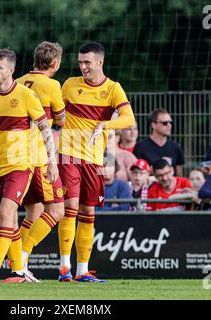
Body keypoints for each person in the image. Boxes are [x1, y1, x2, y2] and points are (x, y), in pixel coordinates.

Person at [0, 48, 58, 284]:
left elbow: (46, 130)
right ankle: (18, 272)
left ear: (11, 70)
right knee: (11, 222)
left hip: (21, 165)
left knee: (8, 213)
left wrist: (52, 161)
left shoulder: (27, 95)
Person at [57, 42, 135, 283]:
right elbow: (54, 112)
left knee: (88, 212)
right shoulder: (69, 84)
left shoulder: (113, 89)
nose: (83, 67)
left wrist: (105, 124)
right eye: (80, 62)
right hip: (68, 153)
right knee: (70, 209)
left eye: (87, 62)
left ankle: (82, 270)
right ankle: (64, 268)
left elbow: (128, 118)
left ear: (100, 62)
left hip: (94, 158)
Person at [13, 41, 66, 282]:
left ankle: (16, 264)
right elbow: (62, 119)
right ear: (55, 63)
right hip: (39, 156)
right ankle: (22, 258)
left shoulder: (18, 81)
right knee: (56, 210)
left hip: (16, 155)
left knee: (33, 210)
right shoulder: (52, 84)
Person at [133, 108, 185, 176]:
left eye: (170, 122)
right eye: (165, 123)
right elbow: (136, 173)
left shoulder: (175, 147)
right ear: (153, 125)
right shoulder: (141, 146)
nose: (169, 125)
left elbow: (179, 176)